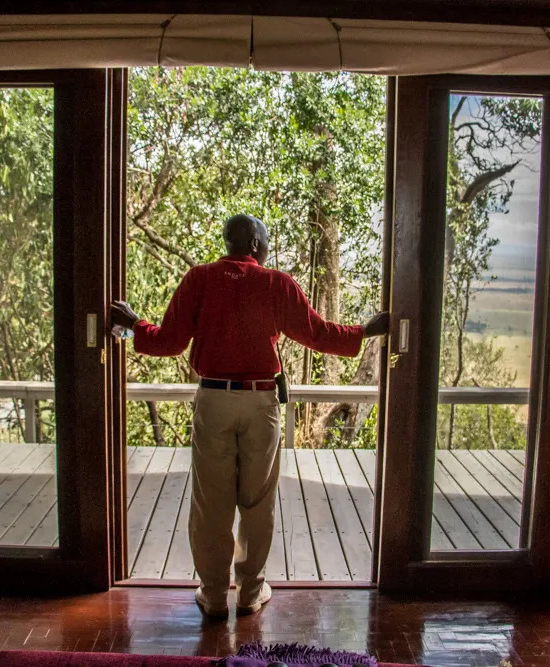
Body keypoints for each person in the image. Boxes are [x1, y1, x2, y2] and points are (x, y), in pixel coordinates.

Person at [111, 213, 389, 618]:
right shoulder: (277, 283)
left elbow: (169, 342)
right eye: (268, 239)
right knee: (257, 502)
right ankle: (248, 593)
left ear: (230, 243)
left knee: (211, 502)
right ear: (257, 242)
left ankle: (211, 595)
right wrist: (365, 331)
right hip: (261, 405)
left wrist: (133, 323)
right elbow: (318, 333)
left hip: (214, 399)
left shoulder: (199, 279)